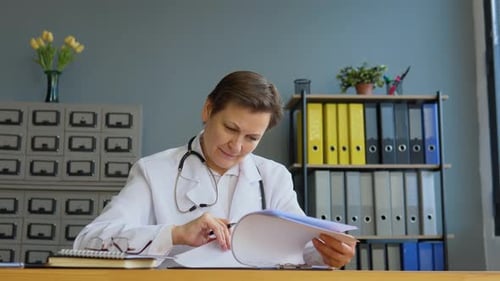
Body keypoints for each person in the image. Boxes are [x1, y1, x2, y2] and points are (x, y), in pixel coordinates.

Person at [73, 70, 356, 268]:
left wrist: (329, 255)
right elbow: (89, 242)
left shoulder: (273, 177)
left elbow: (301, 250)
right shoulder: (153, 171)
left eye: (251, 138)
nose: (236, 145)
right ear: (208, 110)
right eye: (230, 128)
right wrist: (175, 234)